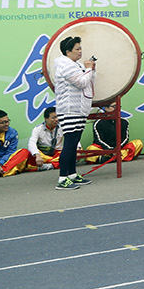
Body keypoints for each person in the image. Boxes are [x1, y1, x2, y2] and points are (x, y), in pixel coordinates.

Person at [53, 35, 95, 190]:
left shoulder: (75, 65)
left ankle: (72, 174)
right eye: (77, 49)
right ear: (67, 51)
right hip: (69, 110)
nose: (80, 52)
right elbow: (82, 82)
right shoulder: (65, 65)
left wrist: (91, 70)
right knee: (69, 144)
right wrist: (89, 69)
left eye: (80, 48)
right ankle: (62, 178)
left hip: (78, 109)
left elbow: (89, 81)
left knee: (74, 142)